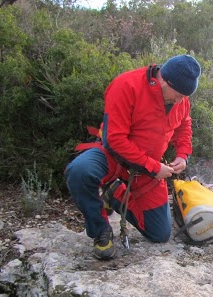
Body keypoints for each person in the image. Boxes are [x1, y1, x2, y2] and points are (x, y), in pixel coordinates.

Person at [65, 54, 201, 260]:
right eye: (179, 94)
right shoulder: (126, 86)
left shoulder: (180, 97)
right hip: (113, 157)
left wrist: (183, 154)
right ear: (164, 79)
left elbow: (184, 125)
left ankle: (114, 194)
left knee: (159, 233)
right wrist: (154, 168)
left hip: (145, 169)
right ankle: (100, 230)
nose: (181, 100)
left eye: (185, 96)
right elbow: (114, 140)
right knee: (79, 171)